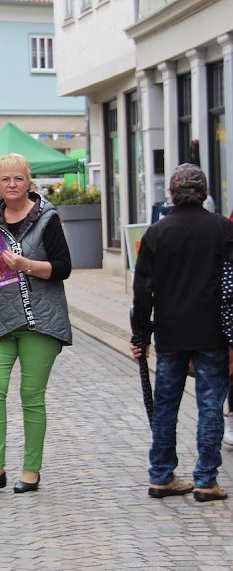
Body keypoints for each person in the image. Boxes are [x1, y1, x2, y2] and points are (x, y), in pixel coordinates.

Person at [0, 153, 72, 494]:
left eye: (18, 179)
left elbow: (63, 268)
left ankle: (31, 470)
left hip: (40, 318)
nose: (12, 185)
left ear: (29, 182)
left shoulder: (47, 219)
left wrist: (26, 264)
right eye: (5, 179)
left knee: (31, 395)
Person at [130, 163, 233, 502]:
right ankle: (205, 480)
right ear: (205, 193)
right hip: (212, 332)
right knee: (209, 406)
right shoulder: (222, 230)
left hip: (170, 332)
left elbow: (143, 290)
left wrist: (140, 336)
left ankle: (160, 476)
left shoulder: (156, 234)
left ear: (171, 194)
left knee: (166, 407)